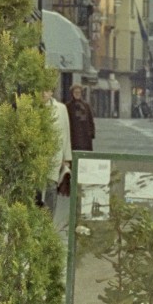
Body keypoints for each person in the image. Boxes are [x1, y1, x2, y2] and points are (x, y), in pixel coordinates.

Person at [42, 88, 72, 226]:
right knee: (35, 191)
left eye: (46, 90)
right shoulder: (31, 108)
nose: (43, 93)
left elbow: (66, 132)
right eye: (40, 90)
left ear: (52, 92)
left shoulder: (61, 109)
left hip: (55, 156)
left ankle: (48, 223)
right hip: (36, 156)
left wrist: (67, 158)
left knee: (51, 188)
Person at [65, 83, 96, 151]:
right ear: (72, 93)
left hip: (85, 137)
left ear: (81, 93)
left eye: (79, 92)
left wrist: (91, 133)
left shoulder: (86, 105)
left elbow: (91, 121)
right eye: (75, 92)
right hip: (73, 137)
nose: (77, 94)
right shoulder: (68, 106)